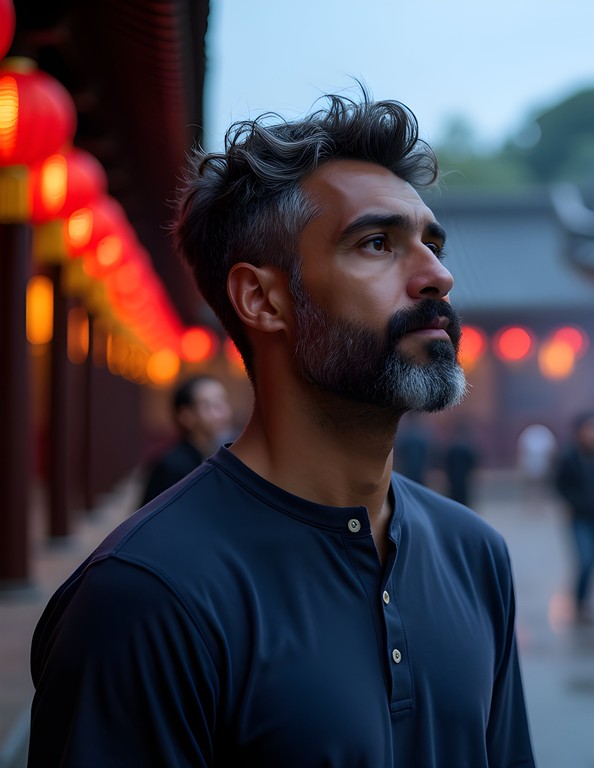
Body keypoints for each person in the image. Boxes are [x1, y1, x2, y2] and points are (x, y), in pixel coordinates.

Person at [30, 91, 536, 768]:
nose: (437, 277)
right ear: (263, 299)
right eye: (378, 243)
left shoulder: (475, 557)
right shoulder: (148, 596)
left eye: (433, 245)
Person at [553, 411, 594, 624]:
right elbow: (559, 484)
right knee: (586, 559)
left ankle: (585, 602)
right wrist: (571, 503)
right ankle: (580, 602)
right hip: (579, 516)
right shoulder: (570, 457)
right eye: (592, 429)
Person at [139, 375, 234, 506]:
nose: (222, 412)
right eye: (210, 406)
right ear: (186, 416)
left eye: (222, 402)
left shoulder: (220, 456)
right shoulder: (171, 467)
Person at [444, 419, 479, 507]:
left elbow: (446, 463)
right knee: (464, 501)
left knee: (453, 501)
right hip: (464, 480)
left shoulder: (451, 447)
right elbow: (472, 463)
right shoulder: (468, 447)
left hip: (452, 479)